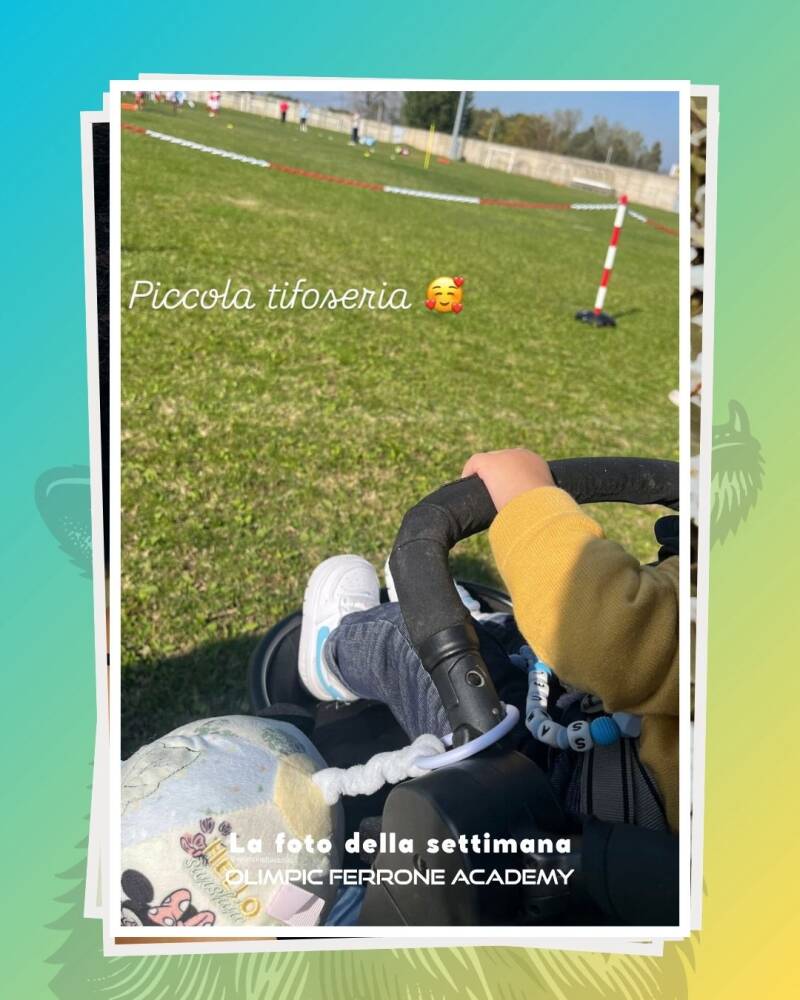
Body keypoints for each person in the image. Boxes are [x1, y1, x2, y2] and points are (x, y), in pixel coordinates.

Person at [297, 448, 679, 834]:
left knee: (401, 640)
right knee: (520, 632)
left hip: (551, 797)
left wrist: (527, 496)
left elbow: (608, 635)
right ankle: (478, 627)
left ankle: (334, 655)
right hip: (609, 723)